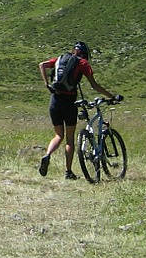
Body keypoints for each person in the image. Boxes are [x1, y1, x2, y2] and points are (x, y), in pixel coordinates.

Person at [38, 41, 121, 179]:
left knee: (58, 135)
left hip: (55, 100)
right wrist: (112, 96)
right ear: (85, 54)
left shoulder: (60, 59)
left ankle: (47, 155)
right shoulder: (83, 63)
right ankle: (68, 172)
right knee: (69, 139)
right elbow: (94, 85)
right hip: (69, 102)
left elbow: (42, 65)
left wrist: (47, 84)